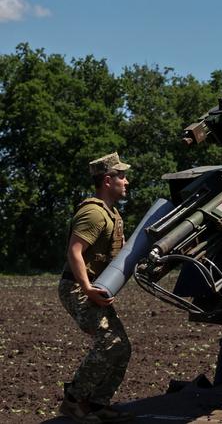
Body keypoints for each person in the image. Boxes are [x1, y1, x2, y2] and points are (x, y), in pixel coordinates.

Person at [58, 152, 134, 423]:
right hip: (78, 287)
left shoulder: (112, 213)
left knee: (122, 347)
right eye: (121, 176)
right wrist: (88, 288)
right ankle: (74, 401)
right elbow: (74, 252)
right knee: (109, 342)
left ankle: (97, 403)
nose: (126, 181)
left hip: (94, 287)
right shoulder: (93, 212)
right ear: (107, 180)